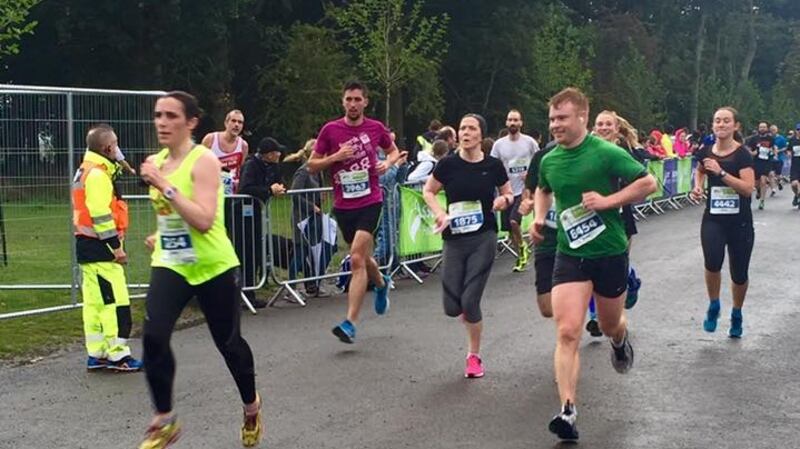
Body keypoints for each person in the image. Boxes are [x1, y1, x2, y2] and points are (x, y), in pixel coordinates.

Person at [531, 88, 657, 441]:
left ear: (582, 117)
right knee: (567, 330)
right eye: (552, 118)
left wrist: (608, 201)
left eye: (562, 118)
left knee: (609, 322)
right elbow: (542, 189)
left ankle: (620, 340)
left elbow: (649, 183)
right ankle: (567, 411)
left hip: (609, 252)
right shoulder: (549, 159)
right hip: (570, 253)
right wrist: (539, 218)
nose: (555, 125)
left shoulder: (606, 153)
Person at [138, 91, 262, 448]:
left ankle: (251, 407)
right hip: (172, 263)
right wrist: (158, 235)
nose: (162, 122)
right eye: (158, 115)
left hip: (213, 265)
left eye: (171, 116)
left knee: (229, 345)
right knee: (154, 336)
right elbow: (172, 216)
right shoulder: (156, 160)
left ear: (191, 122)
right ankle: (164, 419)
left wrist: (163, 184)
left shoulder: (204, 160)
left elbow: (205, 220)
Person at [307, 80, 406, 344]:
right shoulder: (330, 130)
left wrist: (389, 162)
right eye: (348, 99)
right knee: (362, 257)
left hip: (370, 201)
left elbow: (393, 150)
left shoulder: (375, 128)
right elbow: (312, 165)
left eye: (357, 100)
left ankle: (350, 323)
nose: (353, 104)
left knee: (356, 259)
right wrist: (335, 157)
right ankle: (381, 282)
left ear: (365, 102)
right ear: (343, 102)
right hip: (343, 205)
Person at [423, 113, 512, 378]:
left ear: (480, 135)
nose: (465, 132)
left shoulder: (493, 165)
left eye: (471, 128)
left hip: (483, 237)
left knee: (471, 301)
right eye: (462, 128)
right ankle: (466, 312)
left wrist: (503, 202)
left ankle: (474, 356)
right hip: (454, 239)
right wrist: (440, 212)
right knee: (452, 307)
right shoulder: (448, 164)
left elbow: (508, 193)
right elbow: (429, 191)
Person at [73, 124, 142, 372]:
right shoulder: (98, 176)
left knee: (94, 304)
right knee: (115, 303)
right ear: (108, 147)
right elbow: (101, 214)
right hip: (102, 249)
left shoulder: (86, 169)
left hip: (87, 247)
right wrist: (116, 247)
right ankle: (118, 354)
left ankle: (98, 352)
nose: (119, 148)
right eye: (116, 144)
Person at [691, 107, 755, 339]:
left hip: (740, 223)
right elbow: (699, 171)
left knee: (739, 273)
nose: (721, 124)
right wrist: (697, 187)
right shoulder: (706, 151)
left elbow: (748, 189)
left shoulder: (743, 154)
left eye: (726, 121)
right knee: (712, 261)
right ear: (713, 125)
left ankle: (737, 313)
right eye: (717, 121)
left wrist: (721, 173)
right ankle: (714, 304)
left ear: (735, 126)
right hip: (714, 219)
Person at [237, 137, 289, 308]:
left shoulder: (274, 166)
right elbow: (245, 188)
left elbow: (279, 182)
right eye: (276, 152)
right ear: (268, 154)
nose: (279, 154)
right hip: (242, 213)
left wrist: (280, 189)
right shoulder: (251, 165)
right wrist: (268, 190)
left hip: (259, 213)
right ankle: (243, 292)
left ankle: (252, 291)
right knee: (245, 251)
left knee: (256, 250)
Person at [491, 109, 540, 273]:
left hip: (523, 190)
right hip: (507, 191)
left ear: (521, 123)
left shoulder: (529, 142)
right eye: (510, 120)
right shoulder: (499, 145)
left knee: (514, 221)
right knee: (509, 228)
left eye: (516, 120)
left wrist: (532, 174)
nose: (512, 123)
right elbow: (493, 165)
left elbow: (540, 159)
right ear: (506, 123)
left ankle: (523, 247)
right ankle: (520, 251)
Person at [289, 148, 328, 297]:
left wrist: (320, 197)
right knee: (300, 253)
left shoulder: (318, 171)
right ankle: (291, 288)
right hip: (301, 218)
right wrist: (311, 206)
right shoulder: (303, 171)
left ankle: (312, 285)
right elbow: (294, 194)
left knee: (313, 252)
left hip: (314, 217)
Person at [201, 109, 250, 194]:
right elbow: (198, 164)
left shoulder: (243, 146)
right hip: (210, 191)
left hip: (231, 194)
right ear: (226, 123)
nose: (236, 125)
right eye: (233, 121)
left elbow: (241, 171)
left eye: (240, 122)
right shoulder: (210, 139)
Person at [745, 121, 775, 210]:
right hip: (756, 162)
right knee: (756, 183)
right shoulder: (754, 138)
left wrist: (773, 151)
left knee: (763, 180)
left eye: (764, 127)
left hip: (766, 162)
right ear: (758, 128)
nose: (762, 129)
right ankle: (758, 190)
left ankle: (762, 201)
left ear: (767, 128)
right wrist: (752, 153)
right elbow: (748, 148)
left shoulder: (770, 138)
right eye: (761, 127)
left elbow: (773, 148)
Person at [770, 124, 788, 189]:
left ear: (777, 130)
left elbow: (786, 147)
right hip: (770, 158)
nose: (773, 131)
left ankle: (780, 179)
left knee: (778, 175)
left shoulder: (781, 138)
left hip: (779, 158)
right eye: (771, 130)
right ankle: (773, 189)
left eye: (774, 130)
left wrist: (778, 150)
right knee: (771, 174)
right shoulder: (769, 138)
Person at [789, 123, 800, 208]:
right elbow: (789, 150)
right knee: (794, 184)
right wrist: (789, 153)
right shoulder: (792, 140)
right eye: (798, 130)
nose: (799, 131)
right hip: (795, 165)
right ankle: (797, 195)